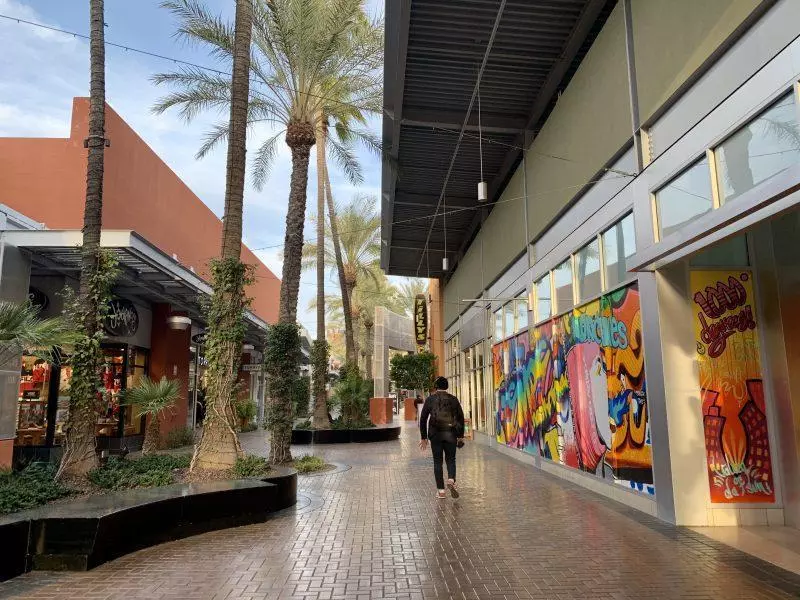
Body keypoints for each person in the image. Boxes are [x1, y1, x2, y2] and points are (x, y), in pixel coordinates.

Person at [419, 376, 465, 499]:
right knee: (451, 459)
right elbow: (460, 418)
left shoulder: (430, 399)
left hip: (435, 435)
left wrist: (424, 437)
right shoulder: (454, 400)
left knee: (437, 462)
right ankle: (451, 479)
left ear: (435, 386)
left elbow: (423, 419)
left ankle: (441, 491)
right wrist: (460, 436)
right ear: (447, 387)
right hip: (451, 434)